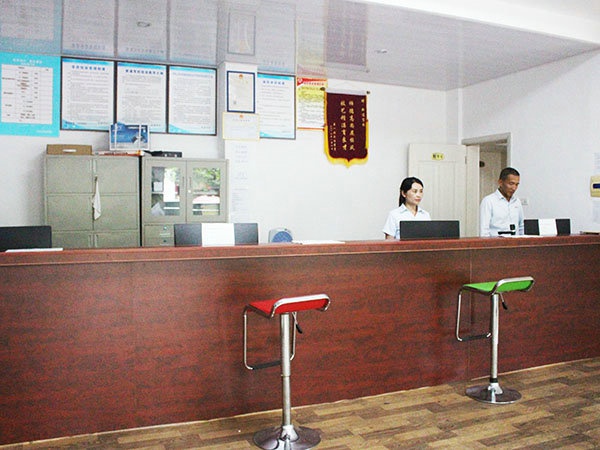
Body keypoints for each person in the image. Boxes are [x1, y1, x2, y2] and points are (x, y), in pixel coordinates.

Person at [479, 167, 524, 237]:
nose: (514, 188)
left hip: (515, 242)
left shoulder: (517, 202)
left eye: (516, 184)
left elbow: (521, 226)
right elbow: (484, 230)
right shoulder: (488, 201)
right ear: (500, 182)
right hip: (496, 242)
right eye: (511, 183)